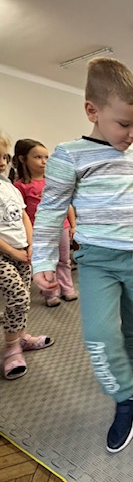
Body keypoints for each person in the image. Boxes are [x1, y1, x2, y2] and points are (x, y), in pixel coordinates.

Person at [32, 57, 133, 453]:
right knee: (99, 335)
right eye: (124, 124)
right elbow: (51, 210)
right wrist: (42, 260)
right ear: (92, 111)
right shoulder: (69, 155)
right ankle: (126, 394)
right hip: (98, 261)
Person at [0, 132, 54, 381]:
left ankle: (20, 336)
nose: (2, 162)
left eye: (4, 157)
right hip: (4, 254)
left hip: (21, 250)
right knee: (18, 296)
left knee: (22, 298)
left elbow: (23, 216)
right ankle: (11, 349)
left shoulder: (8, 187)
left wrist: (31, 245)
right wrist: (12, 252)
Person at [13, 139, 77, 306]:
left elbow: (67, 204)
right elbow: (21, 213)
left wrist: (73, 225)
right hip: (39, 230)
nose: (44, 161)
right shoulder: (20, 186)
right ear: (23, 159)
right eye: (38, 157)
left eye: (46, 157)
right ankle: (50, 293)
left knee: (64, 260)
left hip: (61, 227)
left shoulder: (53, 180)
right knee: (46, 263)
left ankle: (67, 288)